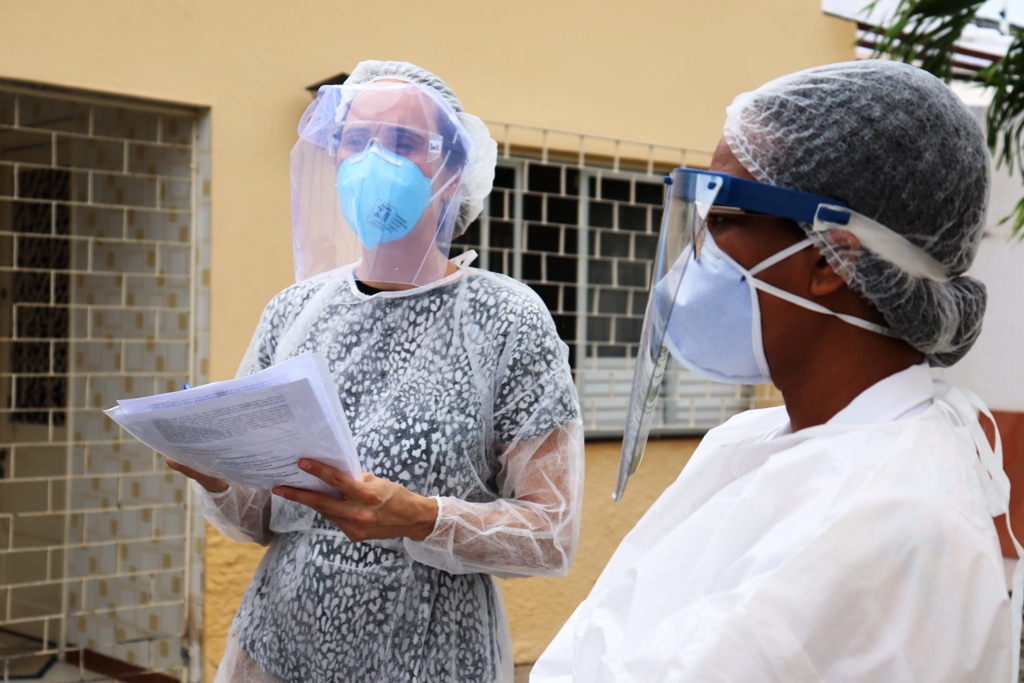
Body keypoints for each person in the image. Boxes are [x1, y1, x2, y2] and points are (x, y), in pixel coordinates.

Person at [531, 60, 1021, 682]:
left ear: (829, 260)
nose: (698, 251)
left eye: (726, 218)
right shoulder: (754, 441)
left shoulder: (888, 517)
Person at [166, 60, 585, 683]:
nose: (372, 161)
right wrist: (217, 472)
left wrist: (422, 517)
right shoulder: (295, 311)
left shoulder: (505, 318)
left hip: (433, 661)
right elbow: (259, 518)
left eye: (405, 143)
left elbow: (551, 533)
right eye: (356, 142)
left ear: (452, 172)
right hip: (276, 651)